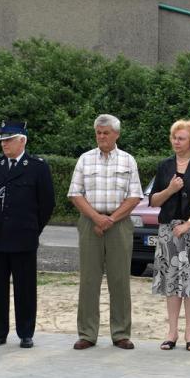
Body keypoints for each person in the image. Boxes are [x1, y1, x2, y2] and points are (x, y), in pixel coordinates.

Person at [68, 114, 143, 351]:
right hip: (90, 223)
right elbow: (75, 194)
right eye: (98, 133)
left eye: (106, 133)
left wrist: (111, 219)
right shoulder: (85, 159)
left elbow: (134, 196)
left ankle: (121, 333)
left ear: (116, 135)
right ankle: (87, 333)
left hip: (118, 224)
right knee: (89, 280)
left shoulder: (128, 160)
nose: (101, 137)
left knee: (119, 280)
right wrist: (96, 218)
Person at [0, 120, 55, 349]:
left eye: (9, 140)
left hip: (24, 236)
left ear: (22, 141)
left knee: (25, 287)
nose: (4, 144)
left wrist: (33, 228)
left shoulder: (37, 166)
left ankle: (25, 332)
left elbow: (47, 203)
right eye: (2, 140)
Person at [150, 120, 190, 352]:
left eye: (181, 138)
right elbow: (153, 201)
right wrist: (170, 190)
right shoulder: (164, 165)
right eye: (174, 138)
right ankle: (172, 332)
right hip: (169, 230)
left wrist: (189, 223)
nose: (176, 142)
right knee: (171, 280)